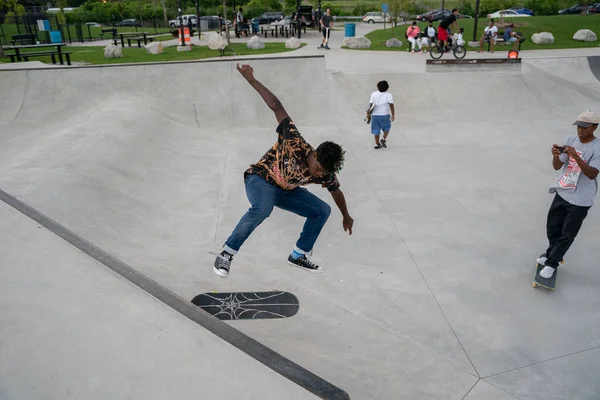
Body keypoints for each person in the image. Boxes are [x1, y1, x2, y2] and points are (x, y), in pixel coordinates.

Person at [213, 63, 354, 277]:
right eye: (318, 169)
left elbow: (336, 191)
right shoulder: (294, 140)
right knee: (262, 209)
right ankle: (226, 254)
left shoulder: (325, 170)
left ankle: (298, 255)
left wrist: (346, 216)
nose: (319, 175)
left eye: (323, 173)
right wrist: (251, 80)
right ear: (314, 154)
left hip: (287, 191)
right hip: (260, 179)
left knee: (322, 210)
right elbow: (276, 106)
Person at [537, 111, 600, 279]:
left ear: (594, 127)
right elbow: (558, 167)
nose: (580, 130)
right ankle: (552, 253)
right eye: (579, 126)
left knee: (567, 233)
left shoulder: (598, 147)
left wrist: (575, 156)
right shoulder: (570, 141)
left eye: (585, 127)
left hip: (581, 199)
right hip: (563, 191)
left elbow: (592, 174)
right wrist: (556, 156)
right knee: (553, 227)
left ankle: (552, 263)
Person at [366, 80, 395, 149]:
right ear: (387, 88)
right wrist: (393, 115)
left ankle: (376, 144)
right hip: (384, 115)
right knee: (387, 127)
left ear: (377, 87)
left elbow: (371, 105)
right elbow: (391, 105)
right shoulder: (389, 95)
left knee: (376, 130)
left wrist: (368, 113)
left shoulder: (374, 94)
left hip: (375, 115)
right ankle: (383, 139)